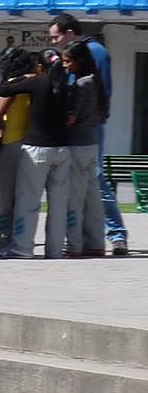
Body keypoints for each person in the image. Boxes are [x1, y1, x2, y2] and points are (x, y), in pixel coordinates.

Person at [51, 13, 127, 254]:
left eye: (56, 37)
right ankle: (85, 232)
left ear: (70, 33)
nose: (53, 42)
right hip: (77, 126)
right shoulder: (73, 56)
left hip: (87, 126)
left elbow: (99, 92)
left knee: (95, 177)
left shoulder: (94, 53)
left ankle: (116, 233)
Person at [0, 50, 74, 258]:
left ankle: (23, 248)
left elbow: (3, 88)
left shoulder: (38, 82)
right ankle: (55, 249)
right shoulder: (67, 86)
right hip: (63, 150)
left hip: (37, 149)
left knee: (29, 201)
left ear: (40, 67)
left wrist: (26, 76)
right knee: (58, 205)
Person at [63, 40, 109, 258]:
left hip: (78, 144)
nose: (65, 65)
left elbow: (72, 117)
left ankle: (73, 244)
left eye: (68, 61)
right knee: (93, 197)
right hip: (92, 143)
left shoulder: (81, 84)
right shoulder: (96, 81)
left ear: (79, 61)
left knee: (74, 197)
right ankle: (96, 242)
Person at [0, 46, 35, 258]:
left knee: (5, 198)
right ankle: (22, 240)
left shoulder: (12, 85)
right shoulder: (35, 82)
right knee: (24, 197)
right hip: (30, 143)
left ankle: (4, 241)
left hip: (9, 143)